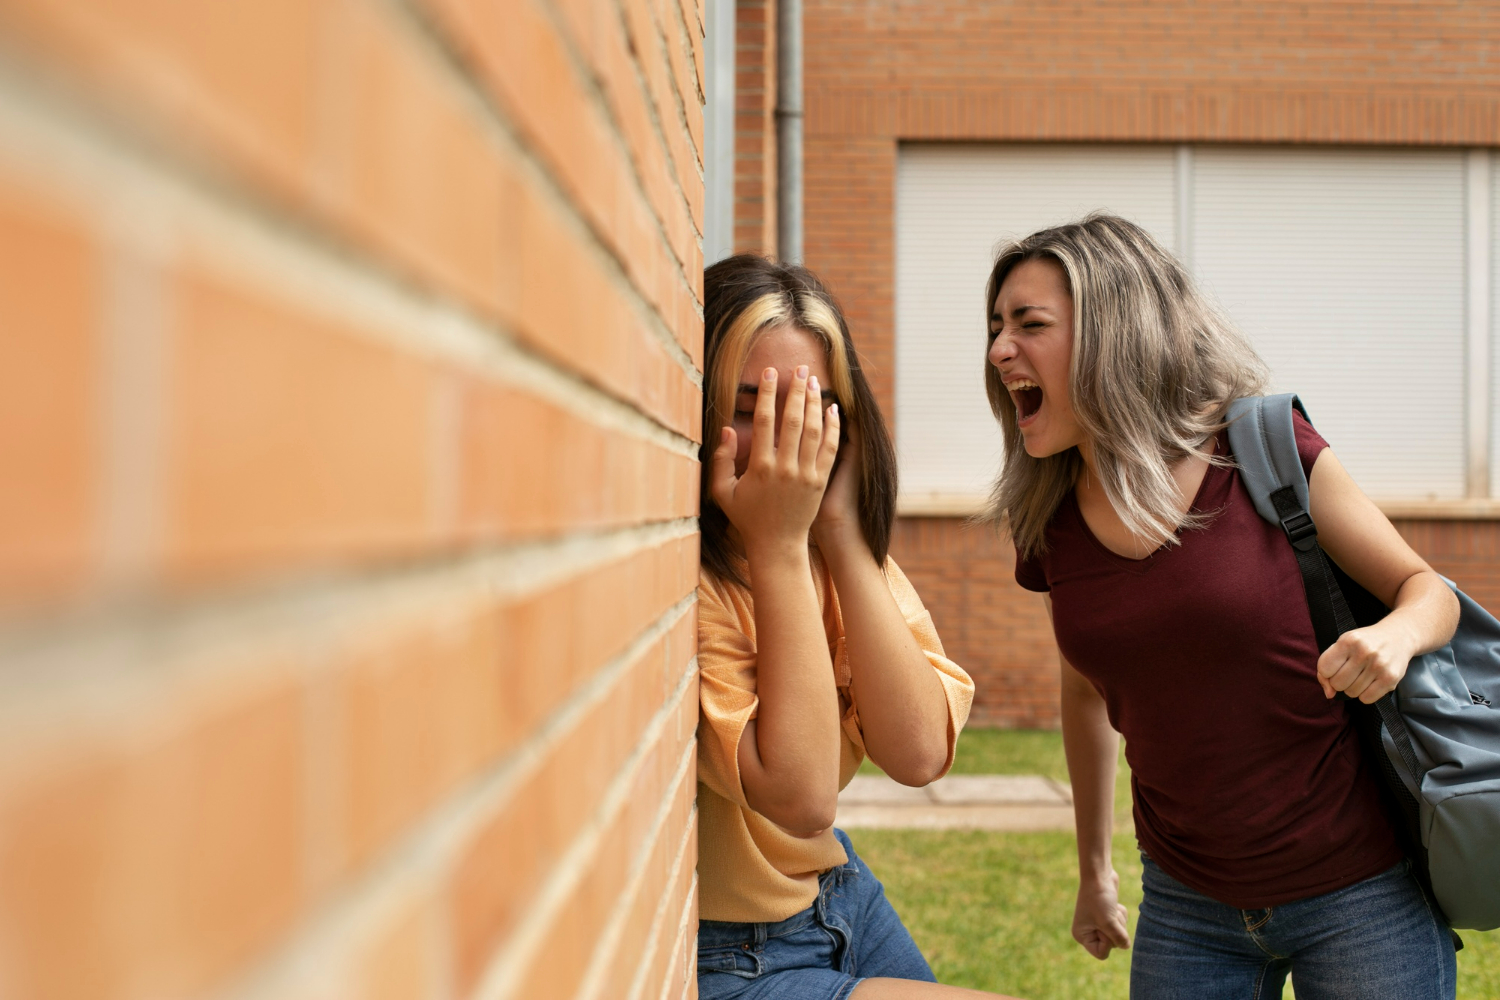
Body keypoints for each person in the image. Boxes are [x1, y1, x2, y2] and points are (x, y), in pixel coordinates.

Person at [983, 214, 1460, 1000]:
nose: (1000, 349)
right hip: (1185, 903)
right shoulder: (1052, 514)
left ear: (1117, 332)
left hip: (1360, 893)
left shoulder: (1261, 448)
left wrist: (1394, 638)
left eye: (1029, 325)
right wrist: (1094, 870)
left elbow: (1427, 592)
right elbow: (1085, 688)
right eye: (996, 327)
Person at [696, 254, 1011, 1000]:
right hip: (725, 955)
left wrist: (838, 533)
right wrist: (775, 545)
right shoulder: (698, 579)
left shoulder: (826, 549)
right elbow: (802, 795)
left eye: (810, 412)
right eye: (748, 408)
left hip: (837, 895)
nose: (784, 445)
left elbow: (919, 751)